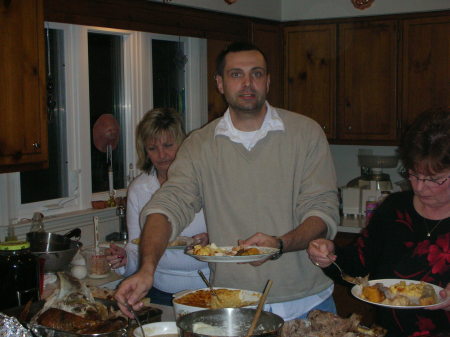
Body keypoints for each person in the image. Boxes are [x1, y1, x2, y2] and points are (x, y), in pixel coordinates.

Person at [115, 41, 340, 320]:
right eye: (236, 74)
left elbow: (322, 208)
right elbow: (169, 205)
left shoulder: (305, 133)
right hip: (234, 308)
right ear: (220, 83)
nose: (247, 83)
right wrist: (147, 268)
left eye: (256, 74)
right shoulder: (199, 145)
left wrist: (280, 244)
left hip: (306, 303)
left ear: (268, 81)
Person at [308, 108, 450, 337]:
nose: (419, 187)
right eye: (413, 174)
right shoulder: (394, 209)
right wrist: (329, 254)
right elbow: (357, 265)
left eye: (434, 179)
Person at [105, 107, 210, 306]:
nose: (162, 155)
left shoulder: (204, 182)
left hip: (205, 288)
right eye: (153, 148)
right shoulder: (138, 189)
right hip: (157, 290)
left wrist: (212, 241)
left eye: (168, 145)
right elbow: (137, 247)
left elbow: (230, 237)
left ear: (183, 143)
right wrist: (125, 259)